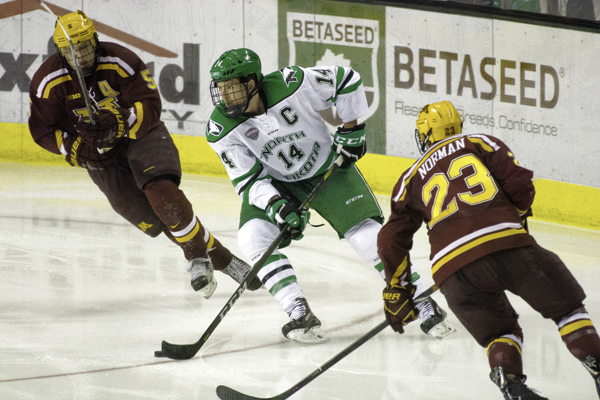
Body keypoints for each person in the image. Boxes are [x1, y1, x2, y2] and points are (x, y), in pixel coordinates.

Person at [204, 48, 456, 344]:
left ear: (250, 84)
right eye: (219, 89)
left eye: (230, 88)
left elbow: (347, 79)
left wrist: (353, 129)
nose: (223, 97)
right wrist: (277, 208)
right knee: (252, 238)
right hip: (278, 183)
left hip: (329, 168)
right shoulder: (221, 128)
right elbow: (249, 181)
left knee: (367, 238)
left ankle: (422, 300)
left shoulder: (293, 84)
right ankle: (298, 311)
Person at [28, 11, 261, 298]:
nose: (80, 56)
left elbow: (150, 103)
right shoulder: (47, 81)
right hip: (99, 155)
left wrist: (119, 120)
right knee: (156, 216)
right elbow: (42, 129)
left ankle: (196, 259)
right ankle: (223, 259)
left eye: (85, 46)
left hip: (140, 134)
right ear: (59, 51)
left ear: (95, 40)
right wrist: (75, 149)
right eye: (71, 51)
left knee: (160, 191)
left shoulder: (120, 61)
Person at [377, 100, 600, 399]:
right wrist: (516, 217)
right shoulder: (480, 142)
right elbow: (521, 188)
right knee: (567, 310)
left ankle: (511, 384)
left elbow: (389, 240)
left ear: (426, 134)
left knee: (499, 333)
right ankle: (594, 360)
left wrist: (397, 289)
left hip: (453, 272)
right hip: (509, 246)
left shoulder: (409, 178)